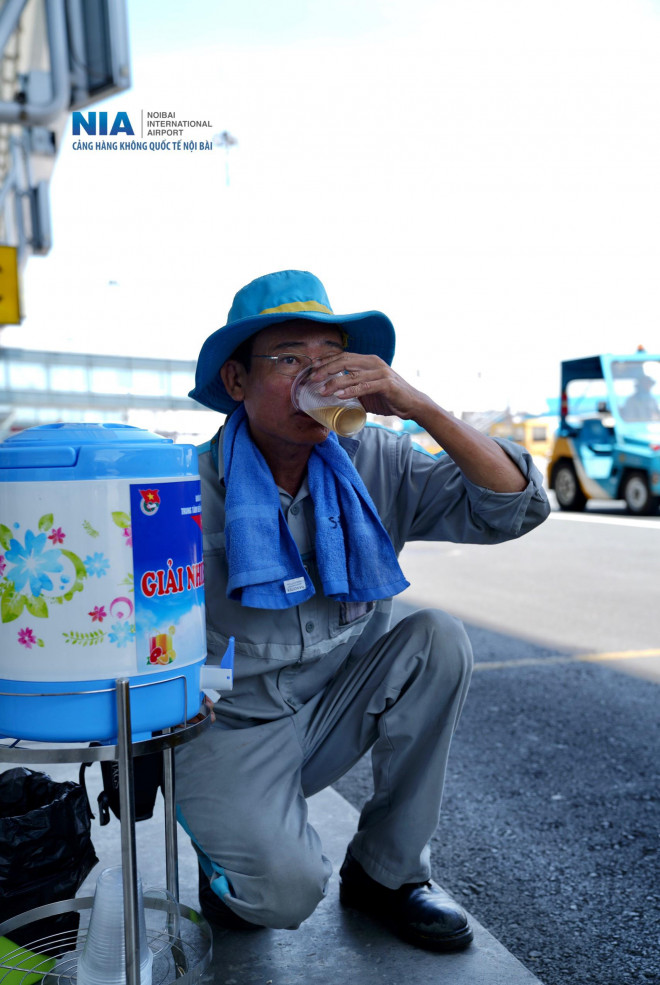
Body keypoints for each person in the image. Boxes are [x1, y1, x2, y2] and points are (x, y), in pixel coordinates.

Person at [176, 269, 550, 952]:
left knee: (437, 638)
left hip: (329, 706)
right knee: (277, 899)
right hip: (227, 725)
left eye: (330, 359)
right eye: (289, 357)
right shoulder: (183, 491)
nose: (315, 377)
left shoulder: (373, 459)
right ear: (236, 381)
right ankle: (230, 859)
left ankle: (387, 873)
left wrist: (420, 406)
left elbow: (513, 507)